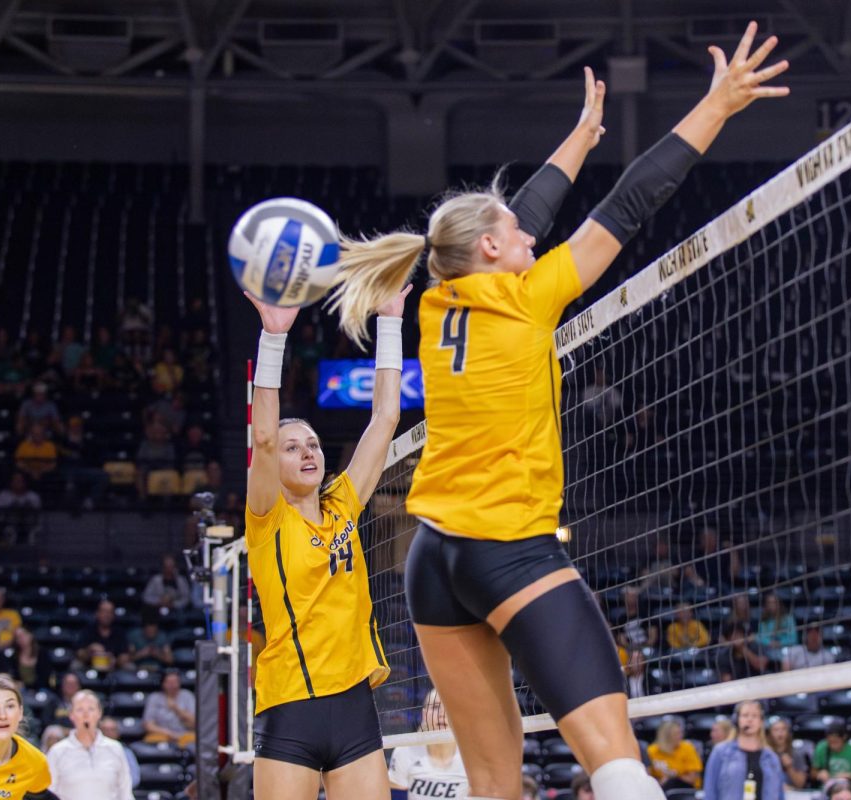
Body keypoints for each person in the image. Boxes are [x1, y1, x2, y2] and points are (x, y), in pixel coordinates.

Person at [326, 31, 787, 799]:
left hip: (432, 564)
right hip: (507, 551)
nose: (532, 235)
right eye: (517, 233)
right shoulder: (528, 298)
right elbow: (632, 201)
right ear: (497, 249)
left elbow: (522, 215)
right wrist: (716, 106)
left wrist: (578, 139)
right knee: (617, 771)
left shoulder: (440, 302)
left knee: (495, 790)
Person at [243, 272, 408, 799]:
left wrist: (390, 322)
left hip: (355, 707)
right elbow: (263, 437)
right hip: (291, 706)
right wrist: (274, 336)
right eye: (295, 448)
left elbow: (385, 417)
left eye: (312, 444)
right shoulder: (267, 515)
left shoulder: (342, 504)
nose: (307, 452)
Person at [47, 690, 133, 800]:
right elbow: (49, 793)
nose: (86, 715)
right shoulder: (57, 752)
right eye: (80, 710)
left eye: (91, 709)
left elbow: (125, 794)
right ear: (71, 715)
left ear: (99, 713)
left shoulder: (115, 749)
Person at [388, 688, 469, 800]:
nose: (442, 714)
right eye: (435, 707)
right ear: (425, 714)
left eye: (449, 707)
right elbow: (394, 795)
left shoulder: (473, 758)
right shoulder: (405, 751)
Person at [703, 700, 782, 800]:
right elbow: (710, 791)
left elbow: (779, 795)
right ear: (737, 719)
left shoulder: (771, 757)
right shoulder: (721, 752)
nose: (750, 719)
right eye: (745, 715)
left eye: (754, 716)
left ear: (761, 721)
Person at [143, 669, 196, 748]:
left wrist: (176, 709)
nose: (173, 685)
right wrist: (169, 733)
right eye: (169, 682)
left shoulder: (187, 695)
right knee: (150, 740)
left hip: (185, 735)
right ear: (163, 683)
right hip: (162, 735)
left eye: (175, 682)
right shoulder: (154, 697)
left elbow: (194, 723)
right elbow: (148, 725)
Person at [647, 717, 703, 790]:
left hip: (685, 788)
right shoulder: (652, 751)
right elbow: (648, 777)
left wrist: (672, 776)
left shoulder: (687, 748)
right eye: (677, 734)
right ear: (667, 737)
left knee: (672, 782)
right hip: (660, 788)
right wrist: (662, 782)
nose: (681, 736)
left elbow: (692, 779)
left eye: (680, 733)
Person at [75, 599, 130, 672]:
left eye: (110, 612)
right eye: (104, 611)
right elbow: (79, 654)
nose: (107, 615)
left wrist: (114, 660)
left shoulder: (119, 632)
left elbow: (125, 655)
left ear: (113, 615)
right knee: (75, 665)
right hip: (90, 666)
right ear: (97, 613)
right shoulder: (87, 630)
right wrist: (89, 650)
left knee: (129, 667)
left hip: (114, 667)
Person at [812, 721, 851, 787]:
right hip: (827, 787)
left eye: (835, 742)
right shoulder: (821, 748)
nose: (832, 746)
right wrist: (819, 774)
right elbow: (812, 773)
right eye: (830, 742)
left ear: (844, 737)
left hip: (847, 788)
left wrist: (849, 776)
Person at [767, 716, 809, 790]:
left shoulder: (796, 754)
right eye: (776, 730)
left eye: (783, 729)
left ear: (788, 733)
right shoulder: (765, 754)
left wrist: (789, 767)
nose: (780, 733)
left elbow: (800, 784)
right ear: (770, 734)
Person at [98, 717, 141, 788]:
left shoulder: (126, 752)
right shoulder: (91, 751)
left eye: (112, 730)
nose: (108, 733)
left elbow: (135, 778)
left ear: (117, 733)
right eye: (105, 729)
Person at [755, 592, 797, 660]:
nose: (771, 605)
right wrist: (770, 643)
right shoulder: (763, 621)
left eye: (774, 602)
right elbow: (759, 637)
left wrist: (779, 643)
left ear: (779, 604)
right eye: (769, 603)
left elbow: (793, 639)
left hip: (786, 651)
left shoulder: (788, 619)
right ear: (766, 605)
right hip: (769, 651)